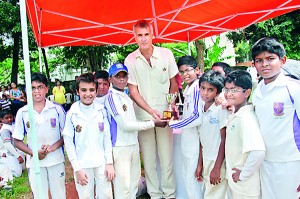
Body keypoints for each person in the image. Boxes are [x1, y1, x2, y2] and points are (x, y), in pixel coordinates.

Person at [124, 19, 178, 199]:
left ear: (152, 34)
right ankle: (154, 194)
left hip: (165, 114)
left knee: (166, 158)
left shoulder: (166, 54)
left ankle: (169, 194)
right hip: (143, 117)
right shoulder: (130, 59)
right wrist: (149, 112)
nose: (144, 39)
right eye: (139, 35)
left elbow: (174, 83)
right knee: (148, 160)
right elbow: (133, 91)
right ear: (135, 37)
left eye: (146, 34)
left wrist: (170, 106)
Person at [105, 63, 166, 199]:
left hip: (132, 144)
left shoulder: (125, 95)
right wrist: (152, 123)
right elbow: (125, 125)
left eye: (124, 76)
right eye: (117, 76)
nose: (121, 79)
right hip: (120, 147)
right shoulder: (111, 97)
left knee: (133, 186)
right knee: (123, 188)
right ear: (110, 79)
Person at [251, 37, 300, 199]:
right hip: (265, 161)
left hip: (291, 162)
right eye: (259, 60)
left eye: (270, 59)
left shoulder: (292, 88)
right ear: (254, 64)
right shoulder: (257, 92)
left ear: (282, 60)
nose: (264, 64)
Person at [13, 72, 66, 198]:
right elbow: (16, 140)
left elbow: (66, 136)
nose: (37, 91)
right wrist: (33, 153)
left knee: (59, 194)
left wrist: (53, 147)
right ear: (27, 91)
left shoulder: (57, 109)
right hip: (35, 163)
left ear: (46, 89)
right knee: (39, 195)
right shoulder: (23, 112)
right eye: (32, 88)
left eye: (40, 87)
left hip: (56, 160)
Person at [63, 73, 115, 199]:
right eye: (83, 90)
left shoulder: (101, 110)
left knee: (106, 196)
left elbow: (107, 138)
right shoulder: (72, 114)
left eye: (92, 90)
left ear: (96, 91)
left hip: (101, 163)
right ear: (77, 91)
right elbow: (68, 143)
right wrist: (77, 169)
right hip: (82, 165)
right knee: (86, 196)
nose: (88, 94)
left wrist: (109, 163)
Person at [224, 70, 265, 199]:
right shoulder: (237, 114)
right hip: (237, 185)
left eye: (234, 90)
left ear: (247, 93)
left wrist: (243, 174)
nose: (229, 94)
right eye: (227, 89)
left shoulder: (245, 118)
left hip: (246, 188)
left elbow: (258, 151)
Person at [168, 55, 203, 198]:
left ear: (197, 70)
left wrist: (174, 123)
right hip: (187, 141)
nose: (185, 75)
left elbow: (196, 117)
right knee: (187, 178)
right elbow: (188, 114)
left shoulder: (197, 88)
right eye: (181, 72)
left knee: (192, 179)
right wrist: (177, 115)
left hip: (195, 141)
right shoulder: (189, 89)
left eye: (188, 70)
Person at [195, 70, 228, 199]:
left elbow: (224, 139)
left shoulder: (220, 109)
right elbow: (202, 140)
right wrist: (200, 164)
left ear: (218, 92)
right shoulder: (201, 109)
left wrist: (217, 167)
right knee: (208, 193)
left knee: (214, 195)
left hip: (217, 161)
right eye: (203, 88)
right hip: (207, 159)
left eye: (210, 90)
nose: (205, 93)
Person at [0, 110, 24, 177]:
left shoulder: (13, 125)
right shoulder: (5, 130)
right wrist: (17, 156)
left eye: (11, 117)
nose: (9, 119)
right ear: (2, 119)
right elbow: (8, 144)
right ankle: (3, 164)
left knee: (23, 169)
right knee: (17, 174)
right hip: (12, 154)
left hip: (18, 151)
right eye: (6, 118)